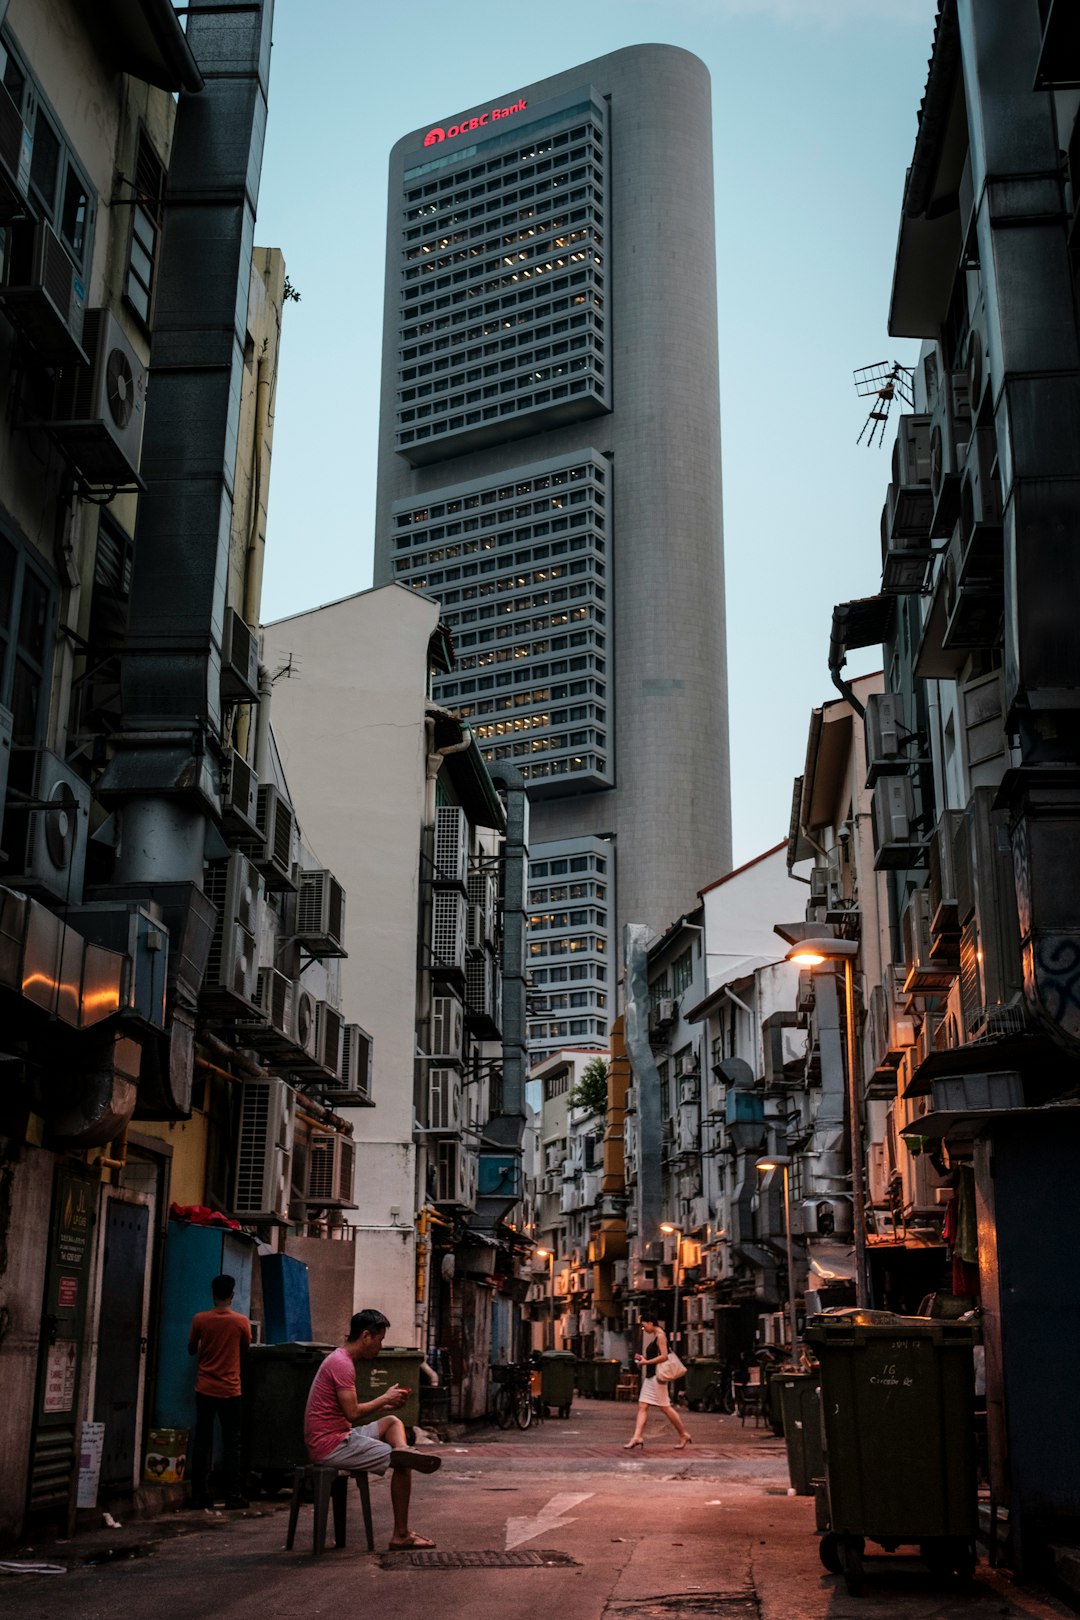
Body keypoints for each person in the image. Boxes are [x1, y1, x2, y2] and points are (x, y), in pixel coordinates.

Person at [304, 1308, 442, 1551]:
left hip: (340, 1435)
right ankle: (401, 1534)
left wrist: (387, 1403)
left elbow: (351, 1413)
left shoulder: (341, 1359)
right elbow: (353, 1413)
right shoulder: (341, 1364)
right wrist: (384, 1397)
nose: (380, 1346)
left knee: (392, 1421)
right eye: (380, 1339)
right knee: (403, 1464)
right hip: (330, 1444)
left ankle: (401, 1449)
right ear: (366, 1336)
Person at [188, 1273, 252, 1508]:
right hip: (230, 1390)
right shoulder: (241, 1322)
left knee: (202, 1442)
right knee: (232, 1442)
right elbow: (245, 1350)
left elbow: (191, 1349)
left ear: (213, 1294)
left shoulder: (200, 1320)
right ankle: (233, 1494)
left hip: (205, 1389)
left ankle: (199, 1495)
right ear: (232, 1295)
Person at [623, 1313, 692, 1450]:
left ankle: (684, 1434)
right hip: (651, 1377)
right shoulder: (657, 1335)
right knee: (643, 1405)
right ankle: (637, 1436)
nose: (644, 1329)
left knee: (665, 1407)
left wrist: (646, 1362)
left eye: (644, 1326)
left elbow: (664, 1356)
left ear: (650, 1323)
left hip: (657, 1378)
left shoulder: (660, 1335)